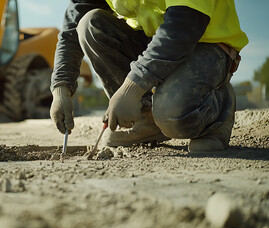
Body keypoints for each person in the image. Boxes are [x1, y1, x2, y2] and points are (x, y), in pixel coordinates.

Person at [50, 0, 248, 153]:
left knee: (174, 117)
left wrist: (133, 87)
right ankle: (146, 120)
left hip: (204, 43)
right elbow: (71, 30)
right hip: (154, 41)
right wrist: (60, 90)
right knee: (90, 25)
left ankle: (217, 111)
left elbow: (184, 24)